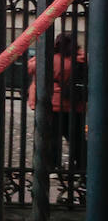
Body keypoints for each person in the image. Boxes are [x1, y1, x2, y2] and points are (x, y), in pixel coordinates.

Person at [28, 32, 88, 170]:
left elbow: (31, 67)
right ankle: (81, 166)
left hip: (52, 103)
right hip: (75, 105)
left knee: (52, 138)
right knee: (76, 138)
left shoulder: (51, 58)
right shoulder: (80, 59)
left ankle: (53, 165)